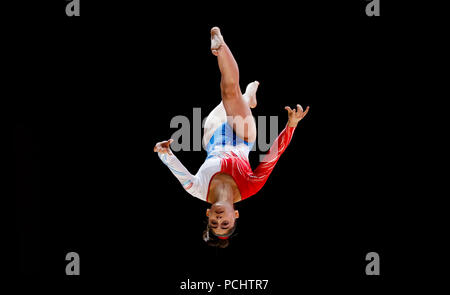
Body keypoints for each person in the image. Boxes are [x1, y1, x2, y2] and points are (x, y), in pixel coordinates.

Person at [154, 27, 309, 248]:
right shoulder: (250, 187)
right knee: (229, 94)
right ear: (235, 215)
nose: (219, 219)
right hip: (243, 137)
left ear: (207, 214)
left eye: (214, 222)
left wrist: (164, 152)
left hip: (212, 133)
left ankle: (249, 98)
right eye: (225, 223)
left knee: (236, 100)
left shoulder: (197, 188)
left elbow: (172, 163)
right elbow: (273, 157)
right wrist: (291, 125)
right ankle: (220, 44)